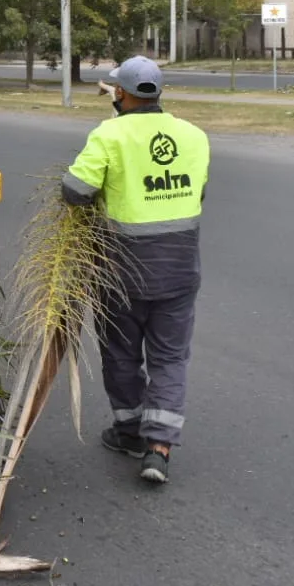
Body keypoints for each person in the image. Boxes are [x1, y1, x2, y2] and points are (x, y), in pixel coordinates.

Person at [61, 55, 210, 485]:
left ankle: (128, 432)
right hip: (180, 269)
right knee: (169, 357)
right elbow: (197, 194)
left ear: (120, 94)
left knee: (121, 353)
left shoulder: (109, 134)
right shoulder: (194, 136)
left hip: (121, 270)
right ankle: (159, 448)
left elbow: (76, 192)